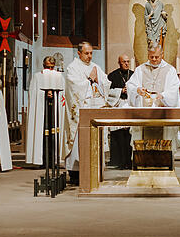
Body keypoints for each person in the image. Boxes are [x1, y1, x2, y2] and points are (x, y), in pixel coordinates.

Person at [62, 42, 110, 184]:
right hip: (80, 113)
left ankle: (95, 171)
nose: (89, 56)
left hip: (95, 110)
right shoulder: (73, 68)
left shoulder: (96, 67)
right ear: (79, 53)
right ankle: (75, 174)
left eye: (91, 53)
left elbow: (106, 83)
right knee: (78, 142)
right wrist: (89, 79)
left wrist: (98, 80)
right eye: (86, 53)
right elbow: (74, 87)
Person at [126, 44, 180, 152]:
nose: (154, 59)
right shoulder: (140, 70)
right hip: (144, 115)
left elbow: (174, 90)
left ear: (162, 54)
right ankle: (143, 163)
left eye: (157, 57)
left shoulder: (170, 70)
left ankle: (164, 163)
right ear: (148, 55)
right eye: (151, 57)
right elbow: (130, 85)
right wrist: (137, 90)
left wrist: (163, 95)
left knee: (164, 138)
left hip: (163, 113)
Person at [25, 57, 65, 167]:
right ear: (43, 66)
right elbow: (33, 94)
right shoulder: (38, 77)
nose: (50, 70)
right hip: (41, 110)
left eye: (52, 67)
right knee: (42, 134)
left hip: (54, 109)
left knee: (55, 133)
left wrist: (55, 94)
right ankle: (42, 160)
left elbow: (63, 94)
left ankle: (54, 160)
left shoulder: (59, 77)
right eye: (48, 67)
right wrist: (45, 94)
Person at [106, 54, 133, 169]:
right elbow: (107, 91)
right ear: (119, 63)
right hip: (118, 105)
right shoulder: (112, 76)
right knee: (120, 135)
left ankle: (130, 161)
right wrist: (120, 91)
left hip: (130, 106)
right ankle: (119, 161)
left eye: (128, 61)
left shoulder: (133, 75)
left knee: (130, 135)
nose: (126, 63)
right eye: (124, 62)